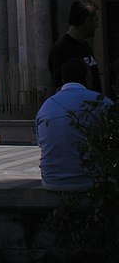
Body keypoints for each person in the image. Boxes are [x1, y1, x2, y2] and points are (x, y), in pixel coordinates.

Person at [36, 57, 112, 191]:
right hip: (91, 180)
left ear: (63, 79)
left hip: (52, 180)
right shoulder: (102, 102)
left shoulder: (46, 106)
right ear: (88, 77)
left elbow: (41, 143)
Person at [48, 0, 101, 92]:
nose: (97, 25)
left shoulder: (84, 45)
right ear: (87, 21)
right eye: (96, 20)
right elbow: (60, 88)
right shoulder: (62, 49)